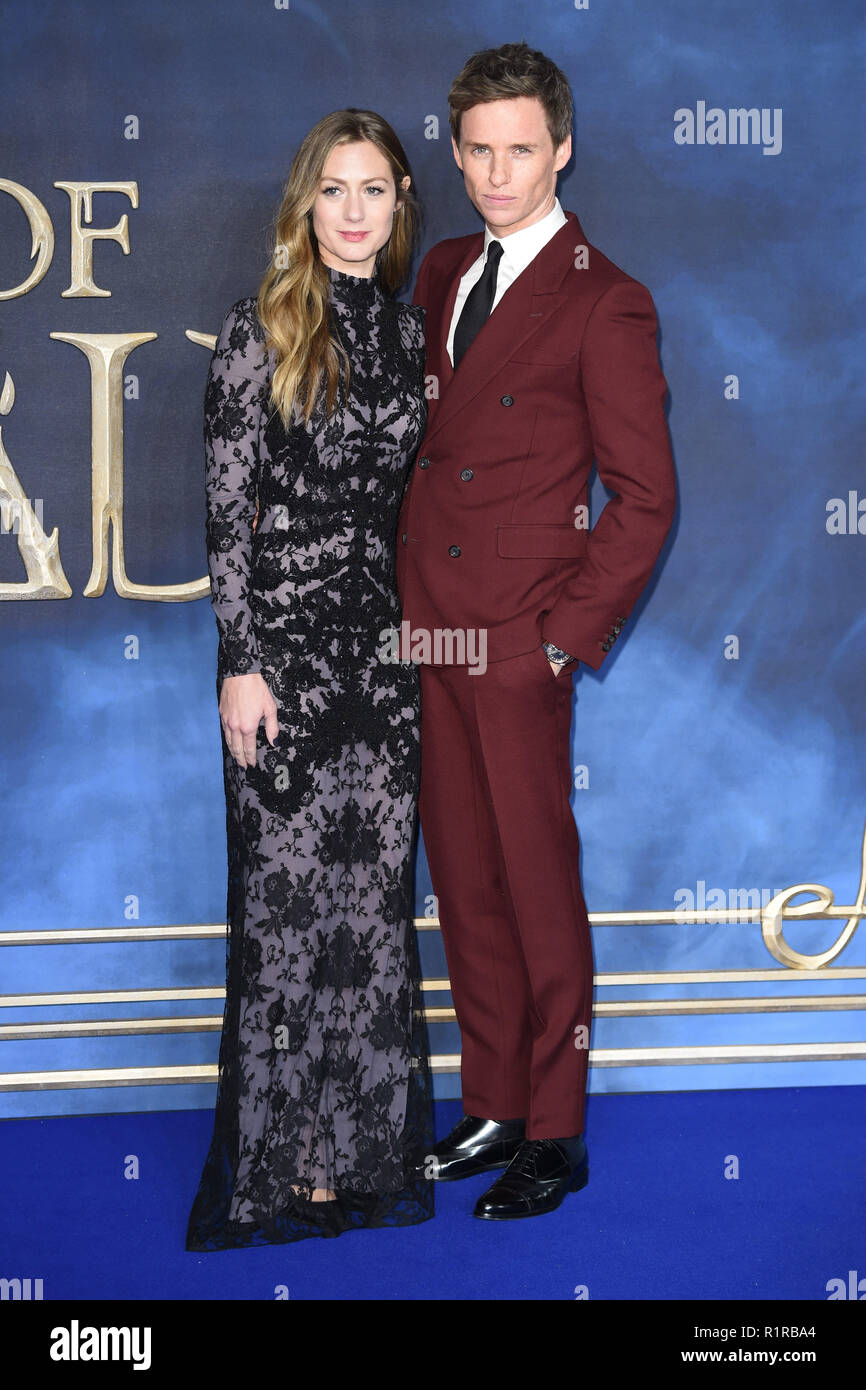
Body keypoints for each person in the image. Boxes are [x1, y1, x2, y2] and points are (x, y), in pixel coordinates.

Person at [396, 42, 677, 1220]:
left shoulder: (604, 296)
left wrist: (561, 637)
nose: (498, 173)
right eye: (477, 151)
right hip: (426, 629)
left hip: (517, 637)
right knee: (461, 877)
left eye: (521, 150)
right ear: (454, 153)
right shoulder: (441, 269)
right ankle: (494, 1101)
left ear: (560, 148)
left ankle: (555, 1131)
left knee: (536, 881)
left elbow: (646, 494)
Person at [186, 109, 435, 1251]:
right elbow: (225, 517)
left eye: (372, 189)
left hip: (382, 674)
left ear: (395, 207)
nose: (350, 208)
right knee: (285, 922)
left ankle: (355, 1154)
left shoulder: (410, 335)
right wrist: (239, 662)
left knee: (366, 918)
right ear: (305, 203)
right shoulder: (259, 330)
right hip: (278, 665)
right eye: (332, 188)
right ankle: (279, 1170)